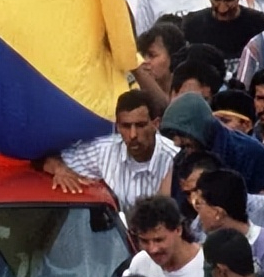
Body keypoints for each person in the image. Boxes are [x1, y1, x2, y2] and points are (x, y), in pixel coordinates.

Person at [43, 90, 180, 212]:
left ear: (155, 124)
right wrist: (60, 169)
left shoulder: (175, 158)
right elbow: (45, 158)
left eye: (140, 125)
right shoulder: (104, 151)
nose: (133, 134)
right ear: (117, 127)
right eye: (126, 126)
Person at [159, 94, 264, 195]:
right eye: (172, 135)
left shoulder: (251, 152)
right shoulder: (182, 159)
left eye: (181, 134)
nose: (176, 142)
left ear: (199, 128)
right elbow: (168, 208)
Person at [123, 197, 207, 277]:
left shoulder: (208, 271)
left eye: (159, 240)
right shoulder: (141, 263)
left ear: (178, 230)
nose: (152, 249)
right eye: (144, 241)